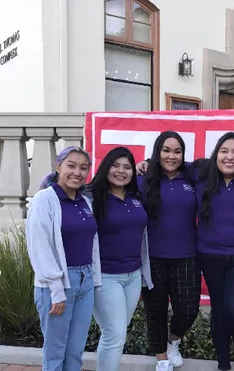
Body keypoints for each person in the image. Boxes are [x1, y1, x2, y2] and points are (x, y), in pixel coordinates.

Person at [26, 146, 101, 371]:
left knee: (75, 350)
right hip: (58, 284)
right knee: (55, 352)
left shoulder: (84, 201)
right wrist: (56, 290)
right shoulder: (45, 200)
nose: (77, 172)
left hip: (84, 281)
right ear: (58, 166)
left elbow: (92, 243)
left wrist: (93, 280)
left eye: (83, 168)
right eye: (71, 165)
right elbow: (40, 246)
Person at [194, 132, 234, 371]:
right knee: (219, 308)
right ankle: (223, 359)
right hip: (210, 256)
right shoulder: (200, 174)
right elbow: (169, 164)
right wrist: (144, 164)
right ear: (216, 154)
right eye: (224, 151)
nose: (230, 157)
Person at [138, 132, 200, 371]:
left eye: (177, 151)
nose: (171, 156)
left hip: (187, 255)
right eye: (166, 150)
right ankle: (161, 358)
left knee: (188, 309)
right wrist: (140, 164)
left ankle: (173, 341)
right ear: (157, 152)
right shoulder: (144, 178)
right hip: (152, 257)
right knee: (155, 310)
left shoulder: (192, 176)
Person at [88, 146, 154, 371]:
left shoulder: (135, 198)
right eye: (115, 165)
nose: (121, 171)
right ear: (106, 167)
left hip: (133, 275)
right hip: (105, 277)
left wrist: (146, 162)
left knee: (117, 332)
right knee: (114, 334)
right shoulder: (92, 198)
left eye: (127, 167)